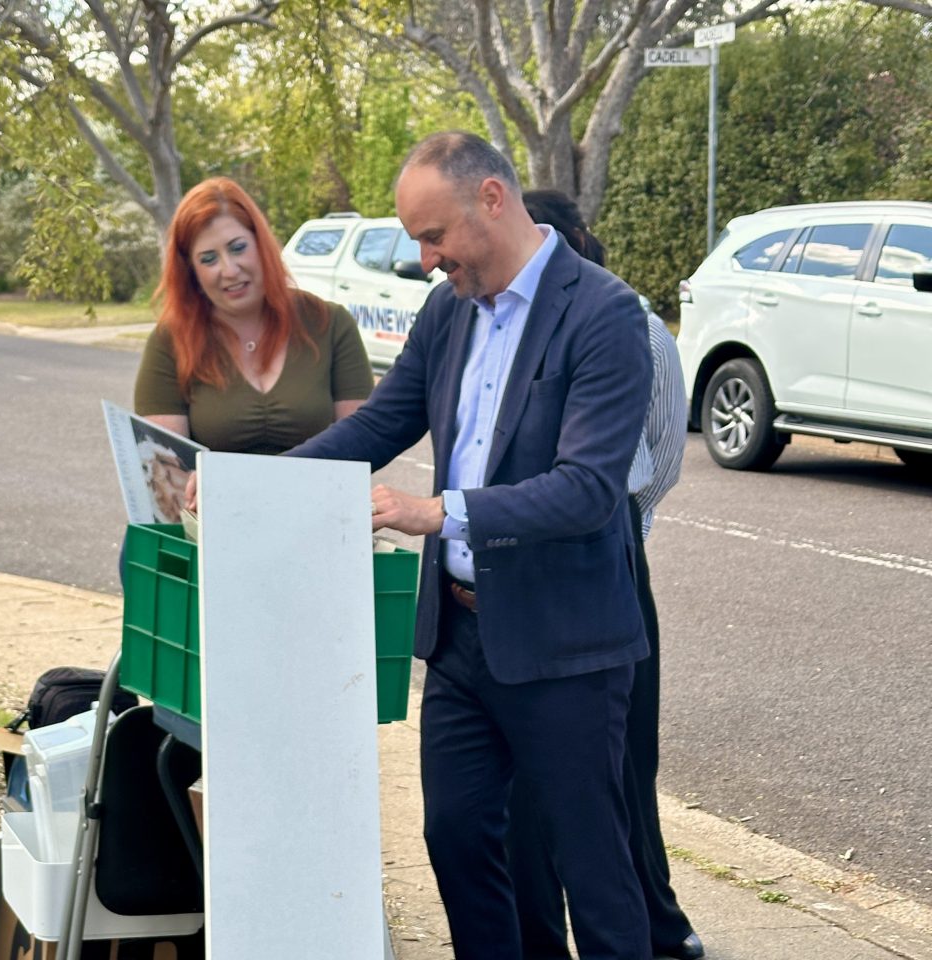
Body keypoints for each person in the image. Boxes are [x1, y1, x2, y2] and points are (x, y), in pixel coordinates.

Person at [287, 132, 654, 960]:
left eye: (433, 235)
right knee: (455, 841)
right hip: (458, 640)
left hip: (567, 651)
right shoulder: (448, 308)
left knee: (591, 870)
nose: (425, 260)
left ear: (492, 198)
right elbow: (383, 422)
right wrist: (262, 483)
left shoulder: (605, 313)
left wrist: (436, 512)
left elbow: (589, 489)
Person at [508, 190, 700, 960]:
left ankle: (655, 918)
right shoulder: (497, 327)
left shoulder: (640, 328)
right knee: (527, 774)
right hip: (518, 557)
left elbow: (660, 458)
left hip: (612, 549)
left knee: (625, 757)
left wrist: (620, 530)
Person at [135, 176, 374, 452]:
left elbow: (358, 447)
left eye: (238, 248)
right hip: (213, 498)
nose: (230, 270)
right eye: (208, 259)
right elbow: (170, 471)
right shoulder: (170, 341)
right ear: (191, 270)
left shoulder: (329, 324)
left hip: (320, 494)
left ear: (261, 244)